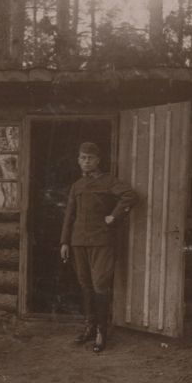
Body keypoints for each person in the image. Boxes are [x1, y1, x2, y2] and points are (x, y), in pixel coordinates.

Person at [60, 142, 138, 353]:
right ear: (78, 160)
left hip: (102, 241)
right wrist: (65, 241)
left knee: (100, 285)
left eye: (90, 158)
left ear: (98, 161)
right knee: (85, 284)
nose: (86, 161)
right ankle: (89, 327)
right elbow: (69, 215)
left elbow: (130, 195)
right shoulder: (77, 185)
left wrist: (114, 216)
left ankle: (102, 333)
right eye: (83, 158)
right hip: (78, 241)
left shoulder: (109, 181)